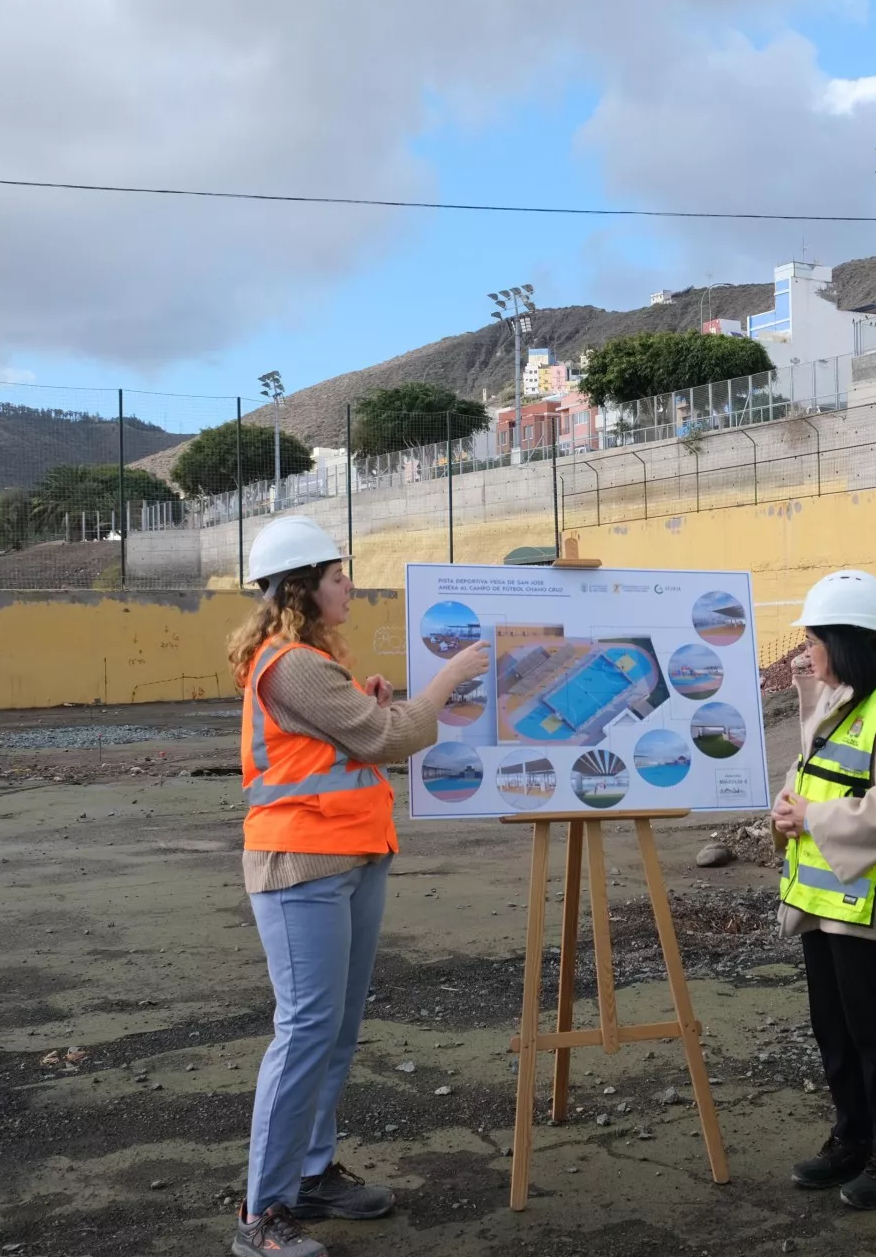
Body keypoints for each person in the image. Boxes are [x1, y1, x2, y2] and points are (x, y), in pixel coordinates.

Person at [225, 515, 488, 1257]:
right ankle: (262, 1216)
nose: (350, 588)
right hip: (301, 865)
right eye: (340, 577)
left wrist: (370, 703)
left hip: (349, 858)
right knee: (306, 1029)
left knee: (332, 1031)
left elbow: (353, 730)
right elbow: (385, 737)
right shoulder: (293, 664)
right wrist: (444, 680)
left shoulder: (310, 661)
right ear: (303, 588)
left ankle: (310, 1176)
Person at [773, 569, 876, 1211]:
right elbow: (811, 777)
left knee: (874, 1033)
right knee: (833, 1028)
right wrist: (788, 813)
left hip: (868, 903)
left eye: (812, 641)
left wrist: (807, 817)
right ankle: (852, 1138)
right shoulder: (840, 707)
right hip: (823, 899)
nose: (804, 653)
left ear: (843, 643)